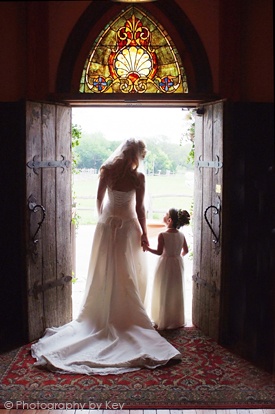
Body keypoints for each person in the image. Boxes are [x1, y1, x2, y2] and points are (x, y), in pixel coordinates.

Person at [31, 138, 181, 375]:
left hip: (106, 226)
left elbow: (99, 200)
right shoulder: (138, 178)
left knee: (105, 269)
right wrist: (143, 233)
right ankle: (128, 317)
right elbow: (140, 209)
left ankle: (101, 314)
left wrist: (104, 220)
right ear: (137, 156)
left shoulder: (107, 171)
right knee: (128, 270)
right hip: (129, 228)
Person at [144, 208, 190, 330]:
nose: (164, 216)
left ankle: (163, 318)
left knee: (164, 288)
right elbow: (186, 251)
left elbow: (159, 252)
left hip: (165, 264)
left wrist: (147, 248)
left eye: (166, 215)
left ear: (169, 220)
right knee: (175, 289)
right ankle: (176, 318)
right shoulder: (181, 235)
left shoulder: (163, 235)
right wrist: (177, 256)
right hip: (177, 263)